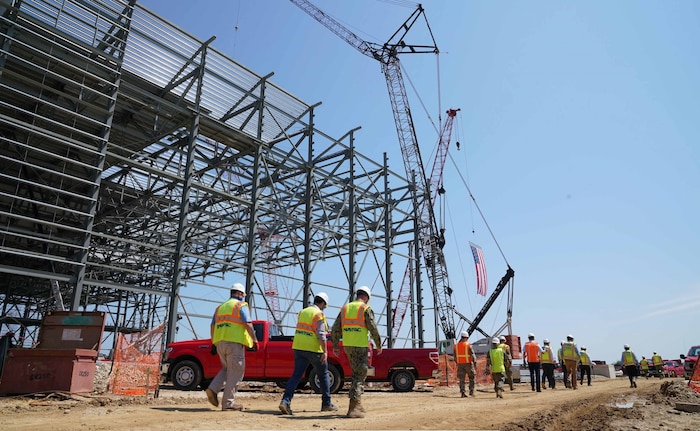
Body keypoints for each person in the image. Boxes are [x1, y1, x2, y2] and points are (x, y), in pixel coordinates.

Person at [279, 292, 338, 415]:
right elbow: (321, 334)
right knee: (323, 375)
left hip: (299, 347)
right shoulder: (319, 314)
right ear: (322, 303)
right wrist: (325, 351)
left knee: (296, 376)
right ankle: (326, 403)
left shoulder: (303, 312)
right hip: (313, 349)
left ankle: (285, 401)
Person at [331, 286, 382, 418]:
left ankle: (358, 404)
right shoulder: (365, 308)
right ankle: (353, 407)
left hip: (347, 345)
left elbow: (335, 328)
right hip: (360, 345)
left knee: (356, 373)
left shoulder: (345, 309)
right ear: (366, 297)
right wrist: (378, 344)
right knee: (359, 375)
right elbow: (373, 328)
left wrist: (335, 345)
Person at [206, 283, 258, 411]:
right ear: (240, 294)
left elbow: (212, 326)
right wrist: (254, 339)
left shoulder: (220, 307)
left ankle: (213, 389)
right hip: (234, 344)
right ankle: (228, 404)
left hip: (220, 343)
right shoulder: (240, 306)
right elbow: (247, 323)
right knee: (236, 372)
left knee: (227, 369)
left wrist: (214, 342)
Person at [454, 330, 477, 397]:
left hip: (460, 364)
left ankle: (462, 392)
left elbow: (455, 356)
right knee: (472, 377)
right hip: (468, 364)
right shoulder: (468, 345)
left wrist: (457, 363)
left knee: (461, 379)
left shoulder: (456, 346)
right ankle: (471, 391)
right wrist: (475, 362)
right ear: (467, 337)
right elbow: (472, 355)